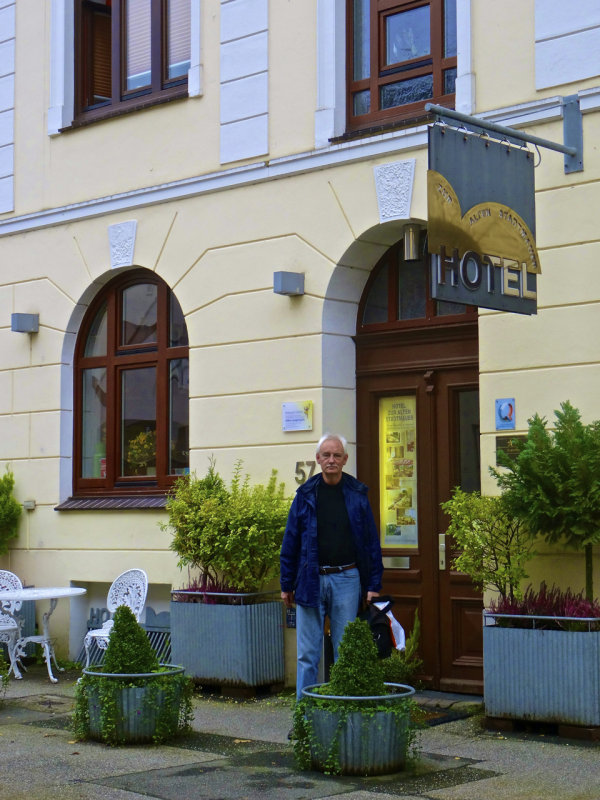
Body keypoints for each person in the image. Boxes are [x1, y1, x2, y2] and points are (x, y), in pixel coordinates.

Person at [280, 433, 384, 699]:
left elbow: (371, 542)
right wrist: (286, 584)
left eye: (337, 455)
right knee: (307, 655)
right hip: (310, 581)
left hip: (347, 579)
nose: (331, 460)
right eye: (326, 455)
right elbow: (290, 541)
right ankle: (305, 719)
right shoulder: (305, 495)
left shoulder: (358, 494)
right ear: (317, 459)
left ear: (345, 459)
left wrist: (373, 584)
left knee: (344, 652)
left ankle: (341, 713)